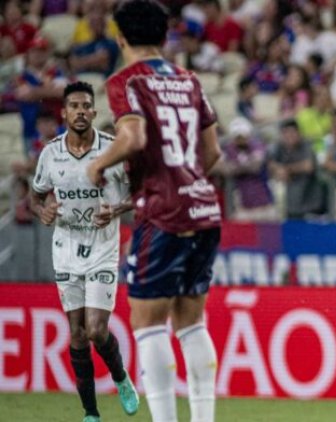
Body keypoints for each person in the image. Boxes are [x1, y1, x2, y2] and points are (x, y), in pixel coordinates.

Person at [85, 1, 222, 421]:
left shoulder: (126, 81)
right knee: (191, 323)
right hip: (203, 208)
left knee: (147, 324)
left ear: (120, 37)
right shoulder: (189, 80)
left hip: (162, 214)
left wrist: (97, 164)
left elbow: (134, 137)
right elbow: (212, 151)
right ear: (165, 37)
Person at [30, 81, 138, 422]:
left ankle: (121, 378)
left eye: (85, 106)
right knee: (75, 333)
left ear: (93, 112)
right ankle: (91, 413)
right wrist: (41, 211)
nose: (79, 111)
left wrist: (117, 210)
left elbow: (142, 193)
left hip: (103, 244)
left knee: (95, 330)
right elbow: (35, 196)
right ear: (64, 113)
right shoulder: (50, 154)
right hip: (64, 246)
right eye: (73, 106)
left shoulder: (113, 150)